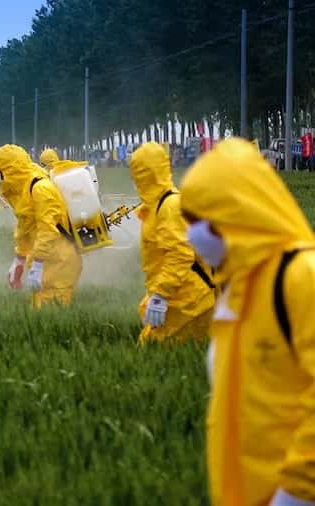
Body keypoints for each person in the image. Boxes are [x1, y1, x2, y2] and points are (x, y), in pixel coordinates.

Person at [181, 138, 315, 506]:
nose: (192, 234)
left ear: (237, 213)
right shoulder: (238, 290)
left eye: (200, 220)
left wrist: (298, 493)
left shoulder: (301, 278)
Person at [128, 142, 215, 344]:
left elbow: (180, 255)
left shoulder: (169, 206)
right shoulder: (157, 205)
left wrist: (160, 295)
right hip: (180, 297)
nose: (134, 180)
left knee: (150, 353)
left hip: (188, 302)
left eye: (137, 174)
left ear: (147, 174)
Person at [0, 144, 82, 309]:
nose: (0, 176)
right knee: (40, 310)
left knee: (51, 315)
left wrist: (38, 263)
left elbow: (48, 230)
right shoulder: (25, 188)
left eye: (1, 171)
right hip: (49, 259)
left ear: (10, 170)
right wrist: (19, 259)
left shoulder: (40, 188)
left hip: (60, 261)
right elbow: (25, 224)